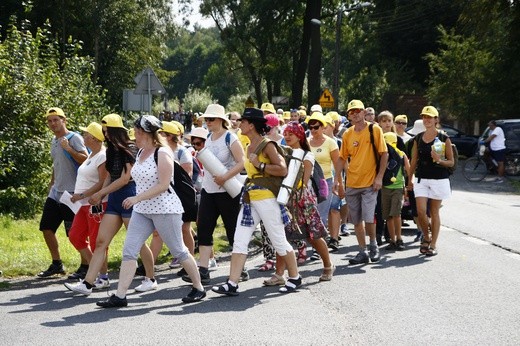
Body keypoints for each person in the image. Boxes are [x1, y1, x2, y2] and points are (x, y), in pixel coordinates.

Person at [96, 115, 205, 308]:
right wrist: (137, 200)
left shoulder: (163, 153)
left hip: (165, 210)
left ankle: (198, 287)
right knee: (129, 251)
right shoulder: (140, 153)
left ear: (147, 134)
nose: (134, 135)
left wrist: (137, 198)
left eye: (138, 132)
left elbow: (164, 185)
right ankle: (120, 296)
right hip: (142, 210)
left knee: (179, 251)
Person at [211, 108, 302, 296]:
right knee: (240, 240)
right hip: (251, 199)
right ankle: (232, 283)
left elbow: (282, 169)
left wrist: (260, 164)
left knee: (278, 239)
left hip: (267, 198)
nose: (239, 124)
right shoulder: (249, 145)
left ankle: (295, 277)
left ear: (251, 125)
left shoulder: (266, 145)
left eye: (243, 121)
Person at [64, 114, 155, 295]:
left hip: (128, 197)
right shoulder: (111, 150)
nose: (104, 135)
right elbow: (109, 177)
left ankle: (150, 278)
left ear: (114, 131)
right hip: (114, 200)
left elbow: (125, 178)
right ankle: (88, 283)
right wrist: (100, 194)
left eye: (106, 131)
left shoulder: (129, 147)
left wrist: (101, 193)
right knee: (100, 242)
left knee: (138, 243)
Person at [263, 121, 334, 286]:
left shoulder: (306, 155)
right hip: (286, 199)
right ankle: (279, 274)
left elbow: (304, 180)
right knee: (283, 236)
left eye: (291, 134)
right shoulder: (282, 153)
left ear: (299, 136)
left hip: (303, 199)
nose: (286, 137)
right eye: (285, 133)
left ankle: (328, 266)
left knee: (314, 235)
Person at [182, 104, 245, 285]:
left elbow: (242, 163)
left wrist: (225, 176)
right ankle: (203, 270)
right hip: (209, 190)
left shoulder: (230, 138)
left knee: (233, 230)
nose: (208, 122)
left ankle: (240, 268)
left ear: (221, 121)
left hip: (228, 191)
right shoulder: (207, 138)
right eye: (206, 119)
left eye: (211, 119)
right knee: (204, 229)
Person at [334, 100, 388, 265]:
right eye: (351, 112)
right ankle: (362, 251)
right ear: (348, 115)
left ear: (364, 112)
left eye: (358, 110)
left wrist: (379, 177)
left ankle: (373, 246)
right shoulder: (348, 134)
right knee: (356, 220)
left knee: (369, 217)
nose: (355, 114)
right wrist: (337, 179)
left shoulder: (374, 129)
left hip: (370, 183)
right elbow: (342, 157)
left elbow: (384, 154)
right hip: (352, 182)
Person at [38, 107, 88, 278]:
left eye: (56, 120)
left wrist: (69, 149)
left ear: (64, 120)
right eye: (50, 121)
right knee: (46, 227)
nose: (53, 124)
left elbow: (86, 160)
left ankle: (86, 265)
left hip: (72, 194)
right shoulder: (54, 141)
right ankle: (56, 263)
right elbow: (56, 164)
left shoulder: (74, 138)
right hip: (56, 192)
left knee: (74, 232)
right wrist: (52, 184)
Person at [67, 122, 109, 288]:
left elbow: (103, 181)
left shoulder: (102, 156)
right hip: (83, 204)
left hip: (96, 204)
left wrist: (83, 195)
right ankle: (95, 271)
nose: (83, 136)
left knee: (96, 241)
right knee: (75, 236)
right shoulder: (92, 155)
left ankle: (103, 277)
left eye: (86, 134)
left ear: (95, 138)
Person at [409, 106, 454, 256]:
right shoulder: (417, 138)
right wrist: (409, 179)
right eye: (424, 117)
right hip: (422, 179)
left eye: (430, 117)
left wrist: (439, 160)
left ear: (436, 120)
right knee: (421, 212)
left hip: (439, 179)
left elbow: (451, 162)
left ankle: (433, 244)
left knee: (434, 212)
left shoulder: (444, 138)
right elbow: (413, 160)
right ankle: (426, 237)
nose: (427, 120)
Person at [307, 112, 340, 250]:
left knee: (321, 214)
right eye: (311, 127)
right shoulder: (306, 142)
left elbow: (338, 164)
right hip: (309, 182)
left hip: (325, 181)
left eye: (316, 127)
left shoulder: (330, 143)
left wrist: (338, 182)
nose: (313, 130)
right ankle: (316, 243)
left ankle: (319, 247)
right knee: (311, 214)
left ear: (323, 127)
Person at [381, 132, 410, 251]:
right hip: (385, 187)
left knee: (396, 214)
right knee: (388, 216)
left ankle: (399, 239)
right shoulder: (382, 154)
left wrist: (407, 185)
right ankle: (392, 240)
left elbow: (408, 170)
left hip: (397, 188)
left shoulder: (401, 154)